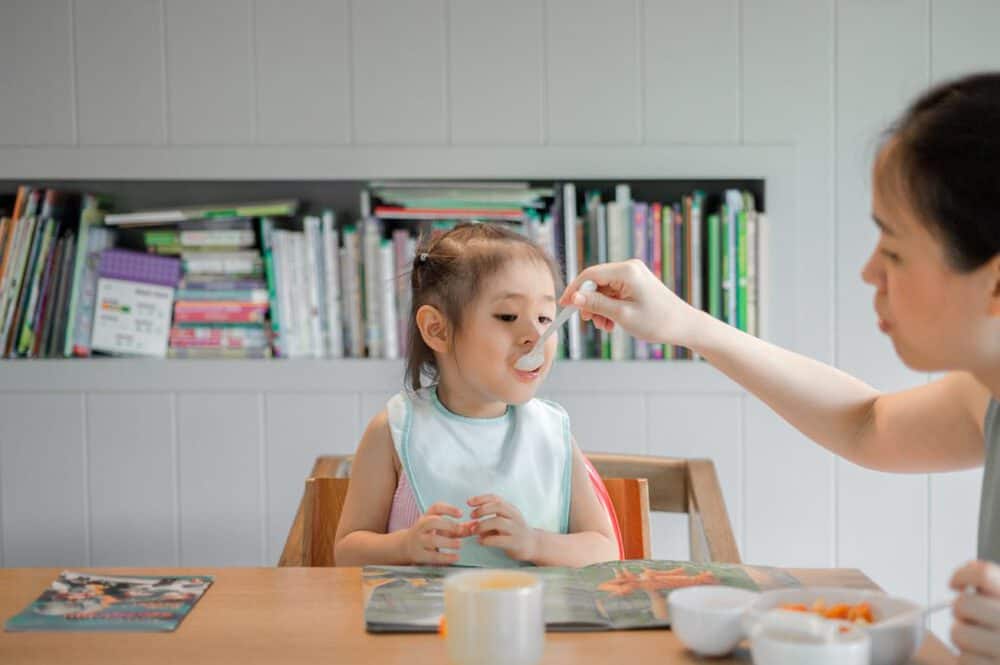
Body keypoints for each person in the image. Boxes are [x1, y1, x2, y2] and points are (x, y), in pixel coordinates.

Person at [561, 72, 1000, 662]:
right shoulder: (986, 395)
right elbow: (866, 423)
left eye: (893, 249)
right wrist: (685, 324)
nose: (870, 271)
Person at [335, 223, 618, 568]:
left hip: (538, 619)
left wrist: (534, 543)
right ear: (437, 330)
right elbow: (347, 552)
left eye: (545, 317)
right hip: (426, 620)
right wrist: (404, 547)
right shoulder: (393, 431)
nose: (535, 335)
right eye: (507, 316)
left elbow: (604, 550)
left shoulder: (552, 431)